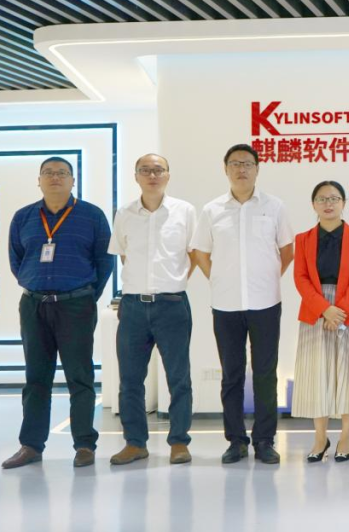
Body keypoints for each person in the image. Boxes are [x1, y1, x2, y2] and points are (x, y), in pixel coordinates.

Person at [3, 156, 113, 469]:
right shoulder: (24, 217)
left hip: (76, 304)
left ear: (73, 180)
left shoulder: (91, 215)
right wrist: (36, 285)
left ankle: (84, 445)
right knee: (36, 378)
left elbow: (104, 260)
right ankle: (31, 446)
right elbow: (17, 259)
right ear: (39, 180)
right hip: (34, 305)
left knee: (80, 377)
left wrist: (86, 295)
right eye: (48, 173)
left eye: (62, 173)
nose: (55, 177)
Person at [192, 144, 294, 465]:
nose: (241, 169)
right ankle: (235, 440)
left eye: (248, 164)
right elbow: (200, 252)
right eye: (235, 164)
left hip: (266, 303)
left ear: (257, 169)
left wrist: (267, 278)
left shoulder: (274, 207)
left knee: (265, 373)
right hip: (225, 305)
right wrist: (218, 278)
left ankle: (264, 440)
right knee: (231, 375)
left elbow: (287, 250)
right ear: (226, 169)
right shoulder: (212, 210)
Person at [108, 154, 198, 467]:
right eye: (145, 170)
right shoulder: (125, 213)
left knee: (179, 378)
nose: (152, 175)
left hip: (172, 305)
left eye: (158, 170)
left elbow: (194, 255)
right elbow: (123, 255)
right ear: (136, 176)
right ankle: (135, 443)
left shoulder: (184, 211)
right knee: (130, 380)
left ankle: (179, 442)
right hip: (133, 306)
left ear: (168, 175)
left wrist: (172, 282)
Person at [292, 181, 349, 463]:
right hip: (315, 311)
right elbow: (300, 277)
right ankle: (319, 437)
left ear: (343, 203)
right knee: (317, 374)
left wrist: (340, 310)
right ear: (313, 204)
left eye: (334, 198)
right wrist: (325, 309)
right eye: (322, 199)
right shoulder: (302, 239)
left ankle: (346, 436)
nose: (328, 204)